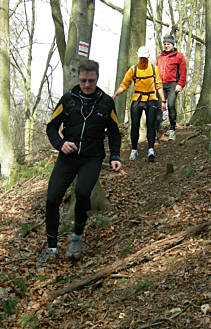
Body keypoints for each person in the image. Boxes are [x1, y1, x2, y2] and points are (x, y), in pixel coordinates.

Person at [37, 59, 122, 266]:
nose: (86, 85)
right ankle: (52, 247)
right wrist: (60, 144)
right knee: (52, 199)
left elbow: (113, 132)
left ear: (97, 79)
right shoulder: (68, 99)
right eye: (83, 80)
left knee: (83, 193)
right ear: (78, 78)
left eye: (91, 81)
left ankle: (77, 237)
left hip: (92, 157)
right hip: (67, 157)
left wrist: (115, 156)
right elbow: (51, 127)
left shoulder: (106, 102)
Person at [112, 46, 166, 162]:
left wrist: (163, 101)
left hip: (151, 98)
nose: (143, 60)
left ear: (148, 57)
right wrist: (115, 94)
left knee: (151, 124)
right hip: (137, 99)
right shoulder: (133, 69)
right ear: (138, 57)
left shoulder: (153, 69)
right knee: (135, 124)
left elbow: (159, 85)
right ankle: (134, 149)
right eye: (141, 58)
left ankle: (151, 149)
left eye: (145, 58)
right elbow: (124, 84)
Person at [156, 35, 186, 140]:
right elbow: (156, 71)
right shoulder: (160, 57)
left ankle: (173, 129)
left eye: (168, 44)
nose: (166, 46)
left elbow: (183, 72)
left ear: (173, 45)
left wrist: (180, 84)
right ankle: (156, 131)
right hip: (161, 85)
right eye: (164, 44)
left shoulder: (179, 56)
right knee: (159, 107)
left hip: (173, 84)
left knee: (171, 105)